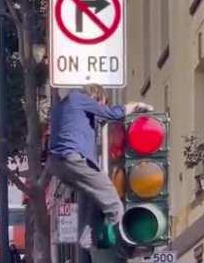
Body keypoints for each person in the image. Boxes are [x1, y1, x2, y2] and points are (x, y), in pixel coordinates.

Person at [46, 85, 153, 249]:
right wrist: (135, 106)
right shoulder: (79, 98)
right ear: (96, 97)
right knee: (112, 201)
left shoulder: (63, 107)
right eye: (103, 102)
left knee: (91, 198)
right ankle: (124, 244)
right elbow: (112, 113)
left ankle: (86, 241)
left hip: (58, 164)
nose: (101, 106)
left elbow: (95, 121)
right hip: (75, 159)